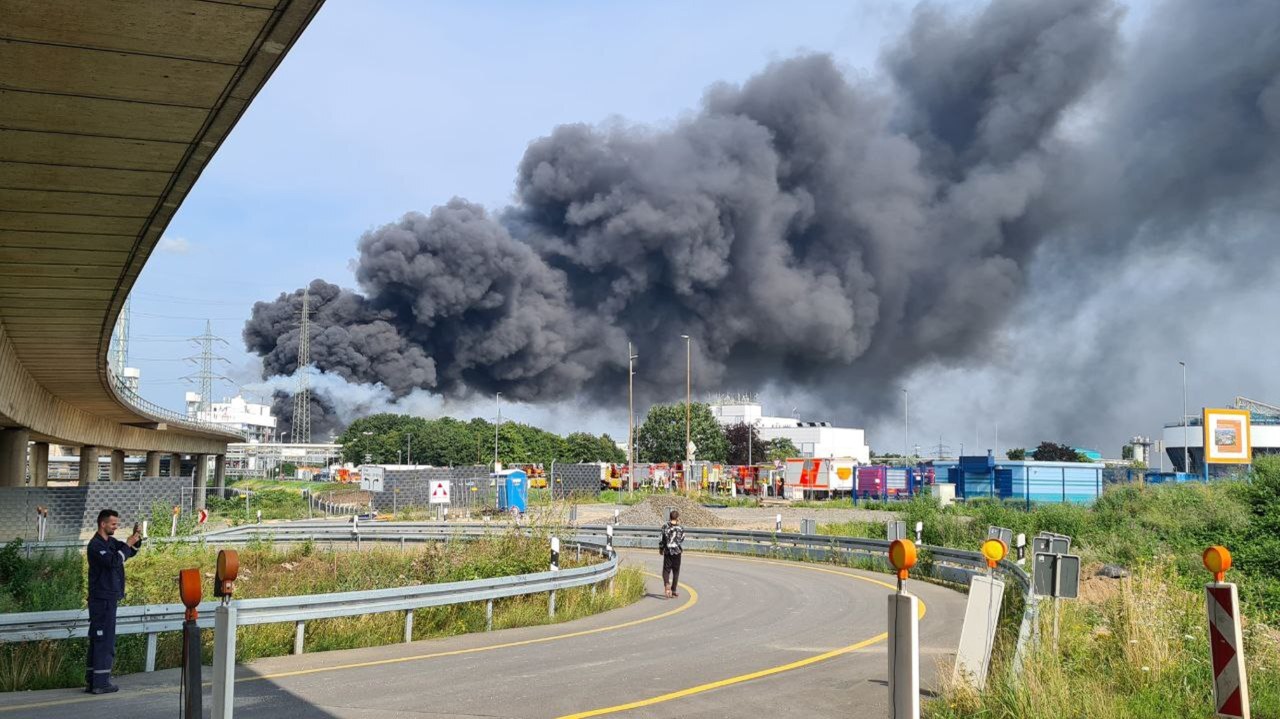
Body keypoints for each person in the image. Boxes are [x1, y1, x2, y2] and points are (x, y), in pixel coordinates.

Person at [86, 509, 142, 694]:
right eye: (113, 524)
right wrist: (127, 544)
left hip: (108, 598)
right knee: (103, 640)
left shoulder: (110, 542)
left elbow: (129, 553)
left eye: (117, 524)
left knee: (99, 639)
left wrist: (136, 539)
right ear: (103, 524)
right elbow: (113, 561)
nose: (116, 527)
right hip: (102, 599)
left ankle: (93, 680)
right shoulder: (96, 545)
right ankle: (100, 683)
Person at [658, 509, 684, 599]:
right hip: (677, 552)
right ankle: (673, 590)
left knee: (666, 570)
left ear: (669, 517)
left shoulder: (665, 527)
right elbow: (681, 540)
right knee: (676, 572)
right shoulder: (680, 528)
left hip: (668, 551)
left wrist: (661, 549)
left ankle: (666, 584)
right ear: (677, 518)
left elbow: (661, 539)